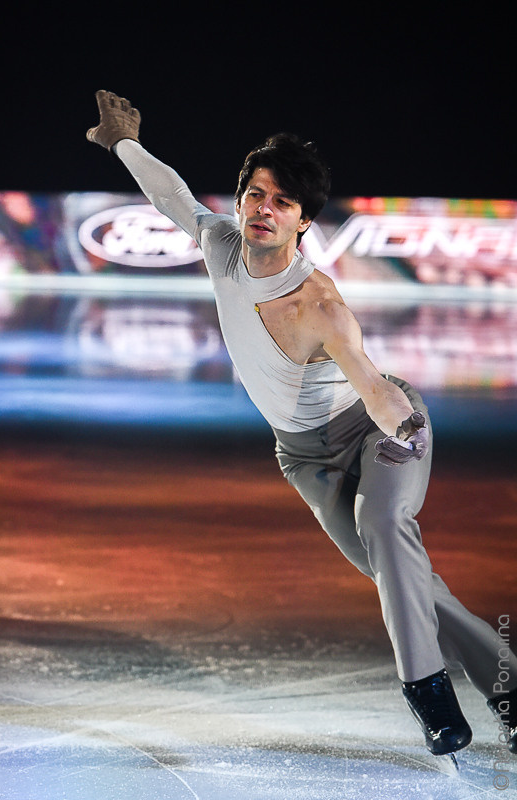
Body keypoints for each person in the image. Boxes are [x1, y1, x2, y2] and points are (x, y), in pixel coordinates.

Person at [86, 90, 517, 758]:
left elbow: (372, 384)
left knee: (385, 529)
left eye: (282, 202)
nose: (264, 210)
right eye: (257, 194)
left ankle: (428, 696)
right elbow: (172, 196)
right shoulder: (220, 244)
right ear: (240, 199)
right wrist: (124, 142)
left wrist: (404, 432)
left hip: (381, 432)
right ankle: (510, 687)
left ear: (303, 223)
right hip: (305, 460)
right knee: (407, 581)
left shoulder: (320, 303)